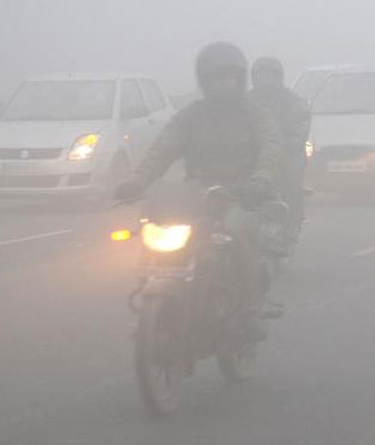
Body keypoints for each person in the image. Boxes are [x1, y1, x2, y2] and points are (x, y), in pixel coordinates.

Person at [115, 41, 283, 341]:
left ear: (241, 78)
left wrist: (261, 180)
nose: (225, 84)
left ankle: (247, 311)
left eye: (231, 77)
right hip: (198, 194)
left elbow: (271, 149)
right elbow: (162, 150)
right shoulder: (190, 116)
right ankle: (163, 303)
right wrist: (138, 182)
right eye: (218, 78)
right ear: (205, 81)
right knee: (158, 235)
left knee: (239, 235)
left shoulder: (256, 114)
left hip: (243, 194)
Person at [249, 57, 311, 246]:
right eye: (261, 76)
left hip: (286, 158)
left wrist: (291, 141)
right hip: (252, 158)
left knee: (290, 188)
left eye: (269, 76)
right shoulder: (245, 101)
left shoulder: (294, 102)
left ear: (279, 77)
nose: (265, 81)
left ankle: (290, 228)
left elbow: (300, 127)